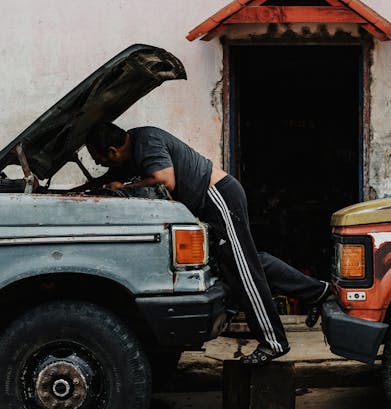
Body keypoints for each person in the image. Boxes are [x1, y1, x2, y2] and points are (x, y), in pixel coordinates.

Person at [79, 122, 332, 365]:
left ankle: (273, 341)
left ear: (112, 151)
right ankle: (318, 292)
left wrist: (123, 187)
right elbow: (104, 182)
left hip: (218, 196)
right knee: (249, 262)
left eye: (98, 158)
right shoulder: (128, 154)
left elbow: (166, 180)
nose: (98, 163)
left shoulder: (146, 142)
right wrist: (75, 191)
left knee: (241, 270)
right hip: (210, 201)